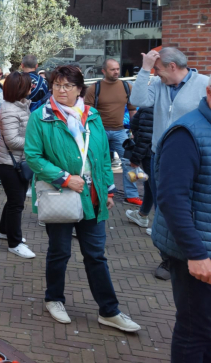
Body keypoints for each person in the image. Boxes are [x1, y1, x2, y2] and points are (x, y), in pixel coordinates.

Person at [25, 65, 140, 332]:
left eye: (67, 86)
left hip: (93, 198)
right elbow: (33, 156)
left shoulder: (93, 116)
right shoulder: (41, 117)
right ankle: (54, 298)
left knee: (96, 256)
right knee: (60, 252)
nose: (60, 90)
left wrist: (108, 190)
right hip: (61, 195)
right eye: (56, 85)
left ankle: (109, 311)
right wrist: (64, 177)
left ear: (79, 89)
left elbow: (100, 157)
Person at [130, 47, 209, 282]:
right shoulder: (158, 85)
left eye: (158, 69)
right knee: (164, 205)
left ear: (172, 67)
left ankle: (194, 252)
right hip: (160, 155)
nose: (157, 74)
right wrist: (145, 70)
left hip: (194, 155)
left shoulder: (205, 84)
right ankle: (168, 256)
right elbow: (136, 100)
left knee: (189, 204)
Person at [151, 79, 211, 361]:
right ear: (209, 92)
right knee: (195, 330)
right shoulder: (186, 133)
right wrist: (196, 253)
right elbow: (172, 199)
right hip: (196, 255)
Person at [84, 59, 141, 206]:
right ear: (104, 71)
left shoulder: (126, 86)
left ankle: (131, 195)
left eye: (117, 69)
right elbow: (85, 112)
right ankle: (98, 192)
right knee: (98, 163)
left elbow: (133, 109)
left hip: (120, 132)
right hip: (99, 132)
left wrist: (134, 130)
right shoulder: (94, 88)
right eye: (112, 69)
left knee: (129, 162)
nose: (116, 72)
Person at [0, 72, 34, 258]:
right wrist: (35, 143)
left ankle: (4, 230)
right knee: (17, 203)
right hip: (9, 163)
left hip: (16, 161)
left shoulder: (22, 106)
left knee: (13, 200)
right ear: (20, 88)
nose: (32, 87)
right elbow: (12, 141)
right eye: (28, 85)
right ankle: (14, 243)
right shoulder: (10, 109)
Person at [124, 107, 159, 246]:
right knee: (150, 184)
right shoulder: (153, 106)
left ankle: (158, 226)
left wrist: (135, 157)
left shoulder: (149, 108)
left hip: (150, 153)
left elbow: (145, 135)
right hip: (152, 151)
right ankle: (143, 214)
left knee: (155, 186)